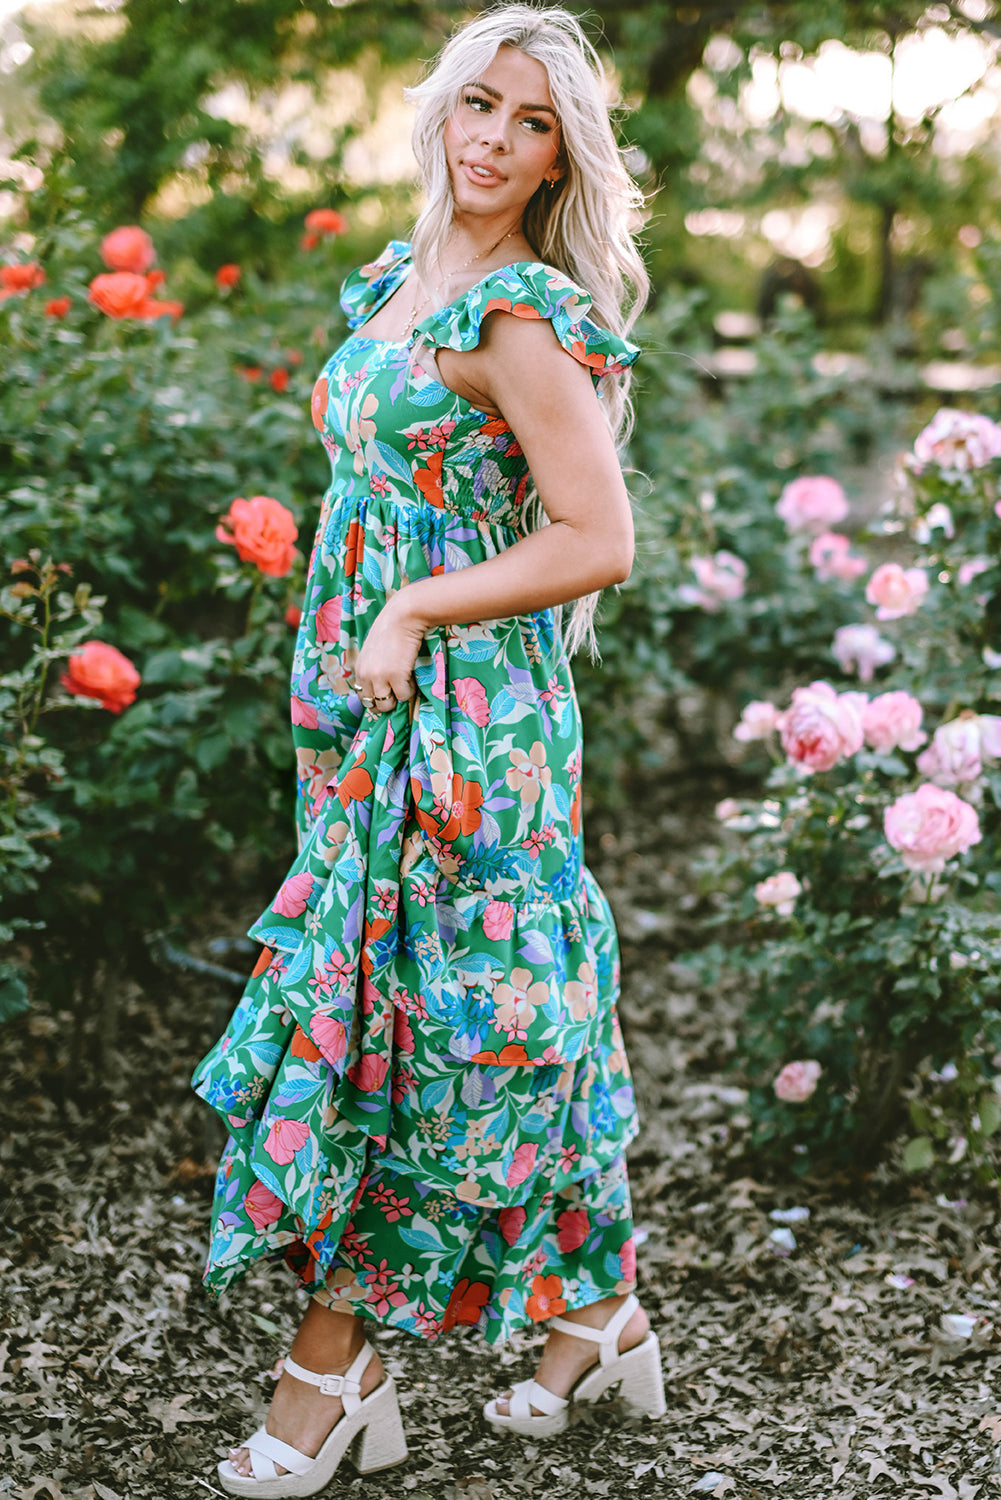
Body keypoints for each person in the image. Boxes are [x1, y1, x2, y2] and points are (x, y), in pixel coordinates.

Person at [192, 6, 665, 1493]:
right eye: (478, 104)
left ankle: (331, 1376)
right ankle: (597, 1303)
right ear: (438, 108)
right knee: (461, 1005)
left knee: (436, 1028)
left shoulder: (516, 315)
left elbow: (598, 539)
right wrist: (360, 625)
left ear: (555, 158)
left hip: (471, 721)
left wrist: (406, 599)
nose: (493, 140)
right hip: (366, 706)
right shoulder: (402, 282)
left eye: (530, 124)